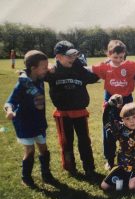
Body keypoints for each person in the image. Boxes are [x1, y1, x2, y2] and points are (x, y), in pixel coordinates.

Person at [45, 40, 99, 177]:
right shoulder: (52, 72)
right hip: (63, 114)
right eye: (68, 56)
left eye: (74, 55)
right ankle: (70, 167)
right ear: (58, 57)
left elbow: (94, 76)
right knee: (66, 142)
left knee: (84, 141)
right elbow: (36, 72)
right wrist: (47, 67)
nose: (72, 58)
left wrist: (104, 68)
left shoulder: (79, 69)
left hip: (80, 112)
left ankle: (89, 167)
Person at [91, 40, 135, 170]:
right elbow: (88, 69)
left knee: (131, 128)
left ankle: (133, 155)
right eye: (115, 57)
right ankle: (109, 159)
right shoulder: (104, 67)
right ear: (108, 54)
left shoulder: (129, 65)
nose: (118, 60)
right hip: (110, 101)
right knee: (109, 131)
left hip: (127, 101)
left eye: (121, 57)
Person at [4, 50, 54, 187]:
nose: (46, 69)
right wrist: (9, 111)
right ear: (33, 68)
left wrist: (50, 67)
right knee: (30, 150)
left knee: (44, 148)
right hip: (24, 123)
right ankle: (26, 177)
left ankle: (46, 174)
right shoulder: (23, 83)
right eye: (44, 67)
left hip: (38, 122)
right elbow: (10, 101)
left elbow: (50, 68)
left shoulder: (39, 77)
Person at [101, 95, 135, 191]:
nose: (131, 121)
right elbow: (106, 122)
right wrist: (109, 105)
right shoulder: (120, 128)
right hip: (123, 165)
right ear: (123, 120)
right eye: (127, 119)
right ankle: (126, 178)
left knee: (134, 187)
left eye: (134, 117)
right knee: (105, 187)